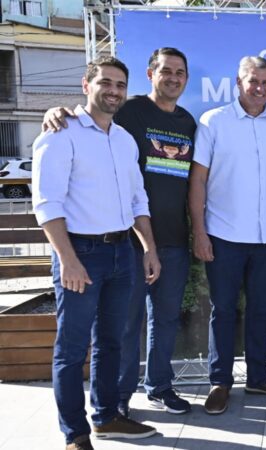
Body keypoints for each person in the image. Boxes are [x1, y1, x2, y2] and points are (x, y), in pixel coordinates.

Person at [41, 47, 196, 417]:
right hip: (116, 245)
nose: (173, 78)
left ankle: (155, 388)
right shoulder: (125, 111)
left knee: (162, 320)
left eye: (180, 72)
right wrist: (54, 111)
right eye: (166, 71)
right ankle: (115, 401)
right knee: (119, 329)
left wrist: (164, 242)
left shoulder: (184, 123)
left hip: (169, 239)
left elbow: (160, 189)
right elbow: (92, 112)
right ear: (150, 74)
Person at [32, 56, 161, 450]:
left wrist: (149, 247)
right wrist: (68, 260)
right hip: (80, 254)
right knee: (71, 350)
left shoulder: (123, 139)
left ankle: (106, 418)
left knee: (112, 341)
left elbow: (138, 198)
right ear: (86, 85)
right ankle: (75, 434)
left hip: (122, 252)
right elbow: (47, 204)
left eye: (120, 85)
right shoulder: (60, 133)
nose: (113, 91)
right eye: (105, 82)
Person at [189, 56, 266, 415]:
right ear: (238, 83)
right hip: (223, 237)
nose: (260, 89)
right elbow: (198, 178)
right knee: (223, 311)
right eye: (253, 81)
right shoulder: (214, 122)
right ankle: (220, 382)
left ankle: (259, 377)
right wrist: (199, 231)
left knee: (260, 310)